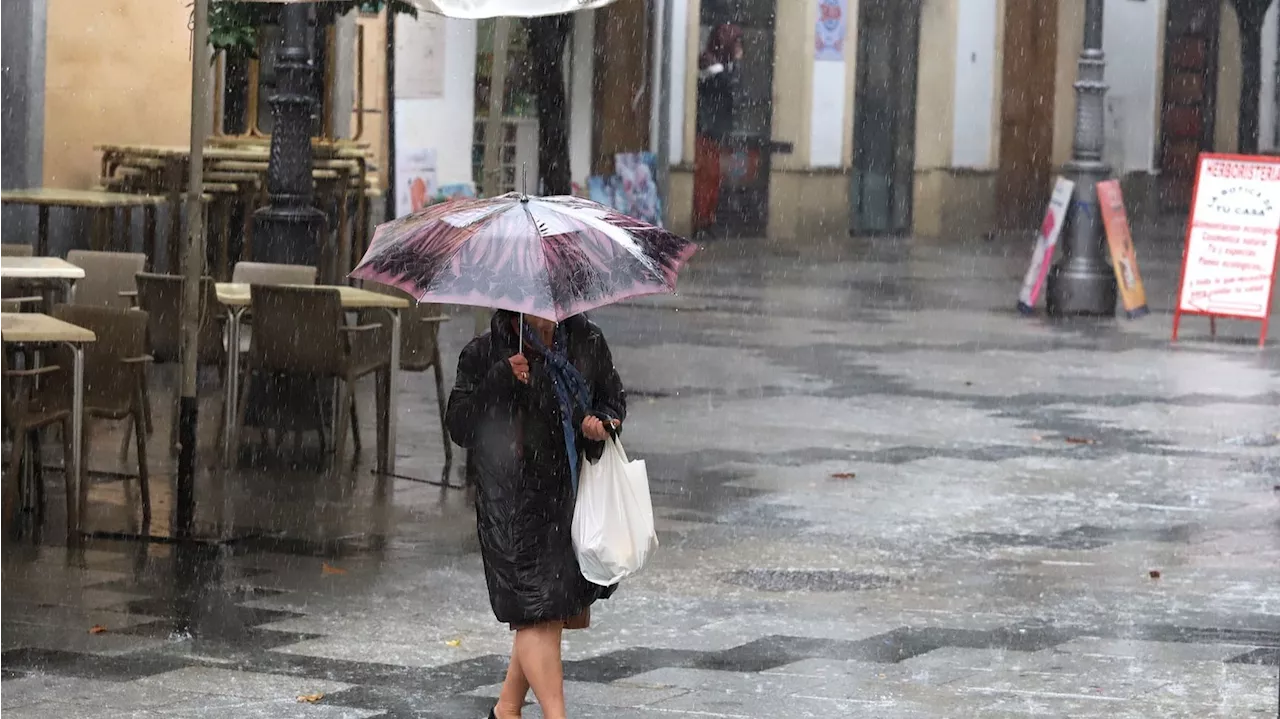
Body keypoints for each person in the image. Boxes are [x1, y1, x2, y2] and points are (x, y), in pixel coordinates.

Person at [446, 309, 627, 719]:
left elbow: (611, 400)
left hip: (566, 501)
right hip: (510, 507)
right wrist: (500, 380)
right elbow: (460, 426)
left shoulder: (586, 341)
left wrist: (600, 424)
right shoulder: (485, 353)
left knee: (546, 613)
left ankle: (506, 710)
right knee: (536, 614)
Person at [694, 23, 744, 237]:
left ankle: (708, 220)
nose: (740, 47)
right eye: (736, 42)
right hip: (707, 131)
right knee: (706, 179)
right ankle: (702, 222)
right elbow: (726, 87)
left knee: (714, 179)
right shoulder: (709, 62)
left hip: (717, 131)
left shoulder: (726, 64)